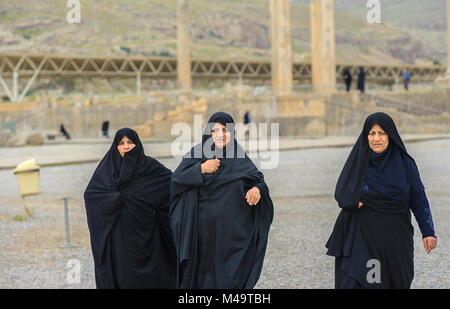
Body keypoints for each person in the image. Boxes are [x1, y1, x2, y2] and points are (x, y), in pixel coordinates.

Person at [325, 112, 437, 289]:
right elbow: (343, 194)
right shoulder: (359, 163)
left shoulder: (405, 164)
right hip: (364, 238)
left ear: (390, 135)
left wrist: (428, 231)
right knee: (369, 282)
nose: (376, 138)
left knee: (396, 282)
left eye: (382, 133)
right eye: (372, 133)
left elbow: (418, 198)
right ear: (366, 136)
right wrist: (355, 200)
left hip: (396, 241)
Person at [170, 112, 274, 289]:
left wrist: (256, 190)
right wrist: (201, 168)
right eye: (215, 130)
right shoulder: (198, 153)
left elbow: (257, 180)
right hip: (201, 235)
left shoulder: (238, 155)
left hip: (231, 235)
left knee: (230, 278)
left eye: (225, 130)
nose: (220, 134)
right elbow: (177, 180)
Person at [84, 128, 177, 289]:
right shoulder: (108, 170)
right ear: (116, 147)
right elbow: (91, 195)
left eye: (130, 142)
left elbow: (173, 186)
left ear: (137, 144)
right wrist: (115, 199)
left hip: (147, 236)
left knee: (151, 278)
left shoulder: (150, 168)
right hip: (120, 241)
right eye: (121, 143)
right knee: (124, 278)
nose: (126, 147)